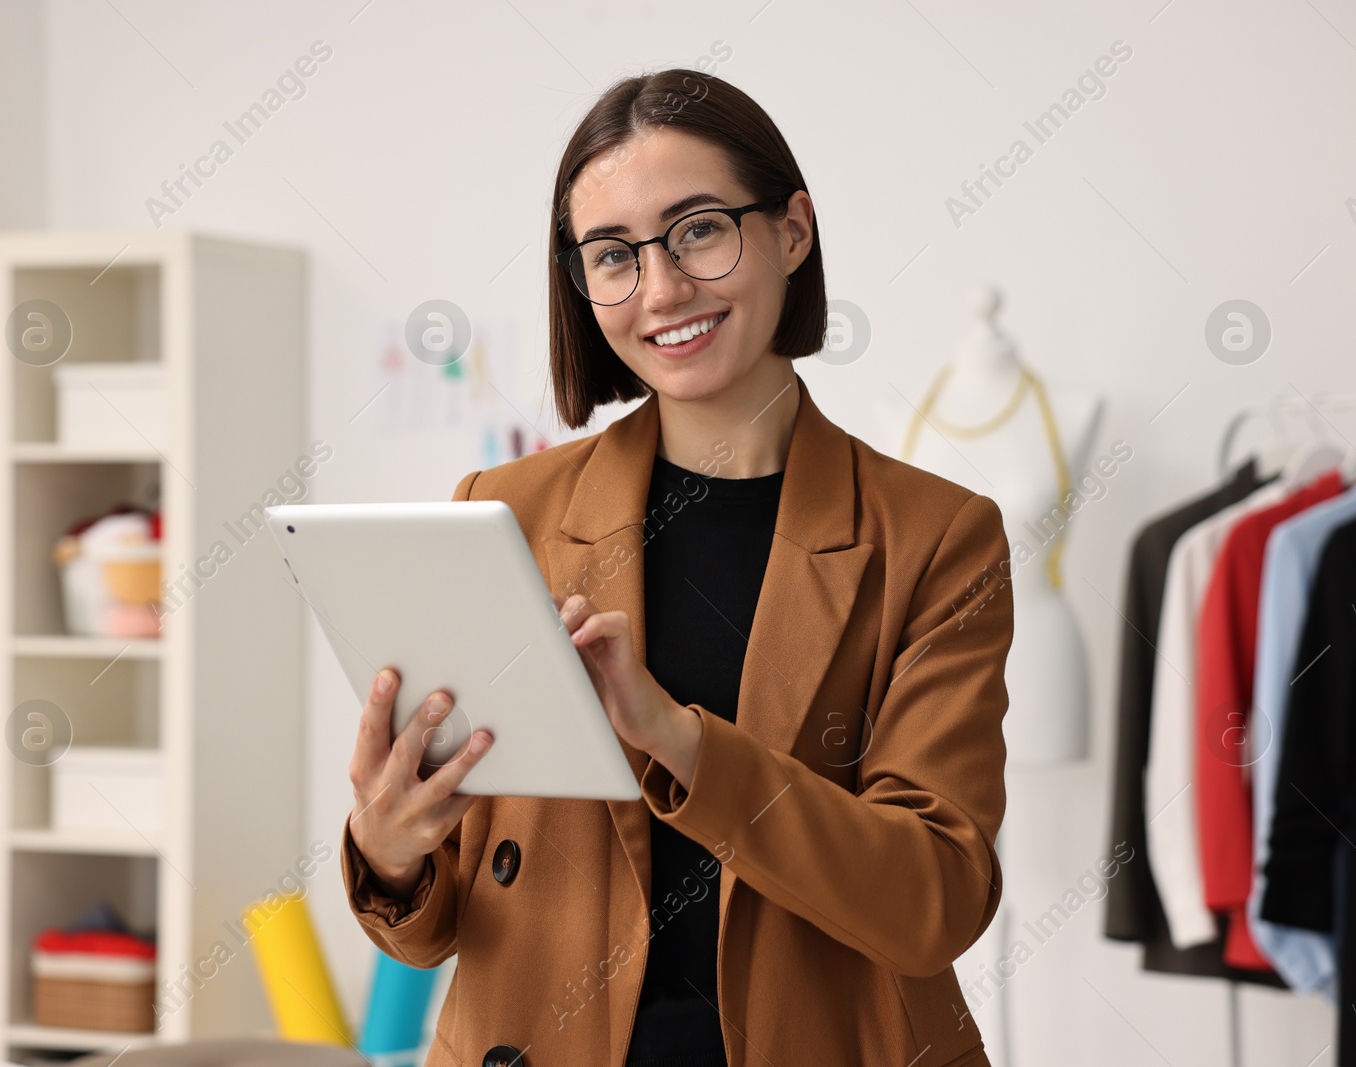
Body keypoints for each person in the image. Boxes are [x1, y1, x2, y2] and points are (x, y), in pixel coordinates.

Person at [341, 67, 1013, 1067]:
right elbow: (431, 926)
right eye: (613, 254)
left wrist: (681, 742)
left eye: (698, 230)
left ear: (791, 229)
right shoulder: (503, 512)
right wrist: (390, 850)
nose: (660, 290)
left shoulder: (936, 537)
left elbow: (933, 900)